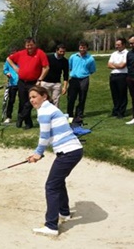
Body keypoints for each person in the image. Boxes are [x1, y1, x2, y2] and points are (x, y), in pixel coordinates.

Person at [27, 86, 83, 237]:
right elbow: (52, 134)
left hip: (69, 152)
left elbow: (44, 136)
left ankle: (51, 226)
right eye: (30, 97)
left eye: (34, 96)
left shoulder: (44, 111)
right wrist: (40, 153)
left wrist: (38, 153)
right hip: (74, 150)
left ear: (44, 96)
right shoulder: (50, 108)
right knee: (58, 182)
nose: (32, 100)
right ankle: (64, 213)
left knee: (51, 186)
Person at [7, 37, 49, 129]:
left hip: (33, 82)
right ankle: (28, 123)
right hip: (22, 82)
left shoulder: (40, 53)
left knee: (31, 102)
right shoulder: (21, 53)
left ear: (35, 45)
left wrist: (40, 79)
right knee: (23, 102)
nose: (29, 47)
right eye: (27, 45)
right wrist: (14, 67)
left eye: (31, 45)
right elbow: (9, 59)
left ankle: (21, 116)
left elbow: (46, 67)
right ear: (25, 45)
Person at [67, 41, 96, 121]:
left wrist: (84, 73)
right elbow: (70, 67)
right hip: (74, 79)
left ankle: (79, 114)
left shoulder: (90, 58)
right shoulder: (73, 57)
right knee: (71, 98)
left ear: (87, 48)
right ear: (79, 47)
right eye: (81, 47)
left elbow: (92, 70)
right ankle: (70, 115)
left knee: (82, 97)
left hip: (84, 79)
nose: (82, 49)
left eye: (84, 47)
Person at [107, 38, 128, 119]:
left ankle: (121, 112)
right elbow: (109, 65)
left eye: (118, 45)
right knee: (114, 94)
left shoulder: (127, 53)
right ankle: (115, 110)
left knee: (122, 94)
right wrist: (117, 65)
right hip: (113, 75)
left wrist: (114, 65)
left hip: (122, 75)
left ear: (123, 45)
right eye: (116, 45)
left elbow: (122, 65)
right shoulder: (114, 54)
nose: (117, 46)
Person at [2, 48, 19, 124]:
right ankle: (8, 117)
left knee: (23, 100)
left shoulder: (20, 60)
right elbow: (5, 70)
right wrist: (7, 73)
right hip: (12, 84)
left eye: (14, 53)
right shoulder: (8, 62)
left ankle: (21, 115)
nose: (13, 55)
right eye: (11, 54)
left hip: (21, 83)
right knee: (11, 101)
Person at [125, 35, 134, 125]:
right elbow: (128, 65)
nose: (131, 45)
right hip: (131, 78)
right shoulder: (129, 54)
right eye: (130, 43)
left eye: (132, 43)